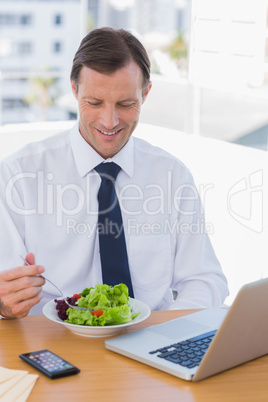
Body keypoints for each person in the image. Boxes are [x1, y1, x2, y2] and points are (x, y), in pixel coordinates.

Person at [0, 27, 228, 319]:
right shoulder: (17, 176)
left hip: (150, 338)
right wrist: (5, 304)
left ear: (145, 94)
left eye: (126, 104)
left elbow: (204, 279)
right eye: (94, 103)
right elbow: (6, 290)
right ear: (74, 90)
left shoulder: (171, 175)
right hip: (54, 343)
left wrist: (166, 332)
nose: (109, 121)